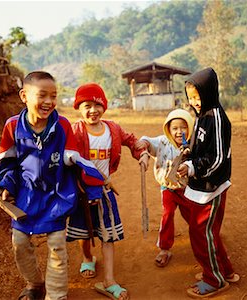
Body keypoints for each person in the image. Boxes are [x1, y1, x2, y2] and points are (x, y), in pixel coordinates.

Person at [0, 71, 104, 300]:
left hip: (56, 196)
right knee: (20, 243)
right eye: (42, 95)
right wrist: (8, 185)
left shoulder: (62, 125)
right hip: (26, 197)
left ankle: (56, 295)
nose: (48, 102)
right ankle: (34, 284)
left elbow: (75, 159)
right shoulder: (13, 126)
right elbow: (7, 160)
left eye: (53, 96)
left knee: (57, 244)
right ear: (24, 96)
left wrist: (94, 184)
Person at [66, 82, 145, 300]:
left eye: (97, 105)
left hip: (105, 191)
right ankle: (87, 257)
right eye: (86, 105)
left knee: (107, 235)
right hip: (82, 192)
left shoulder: (113, 129)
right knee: (85, 230)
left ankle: (109, 280)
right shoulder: (75, 130)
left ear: (104, 106)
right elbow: (64, 155)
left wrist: (142, 153)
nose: (93, 110)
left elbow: (131, 140)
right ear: (79, 108)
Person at [176, 67, 239, 298]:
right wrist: (187, 150)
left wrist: (192, 167)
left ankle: (214, 280)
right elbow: (197, 142)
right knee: (208, 232)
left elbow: (218, 159)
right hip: (201, 186)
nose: (194, 102)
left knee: (201, 232)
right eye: (191, 98)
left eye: (198, 96)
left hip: (211, 188)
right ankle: (224, 270)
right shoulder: (202, 116)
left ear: (209, 92)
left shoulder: (219, 119)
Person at [137, 109, 194, 268]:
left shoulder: (192, 146)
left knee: (193, 216)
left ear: (190, 127)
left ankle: (206, 236)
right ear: (168, 129)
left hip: (187, 190)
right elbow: (146, 140)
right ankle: (164, 248)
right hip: (168, 188)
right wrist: (144, 147)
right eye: (174, 128)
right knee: (167, 214)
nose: (179, 131)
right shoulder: (162, 142)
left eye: (183, 127)